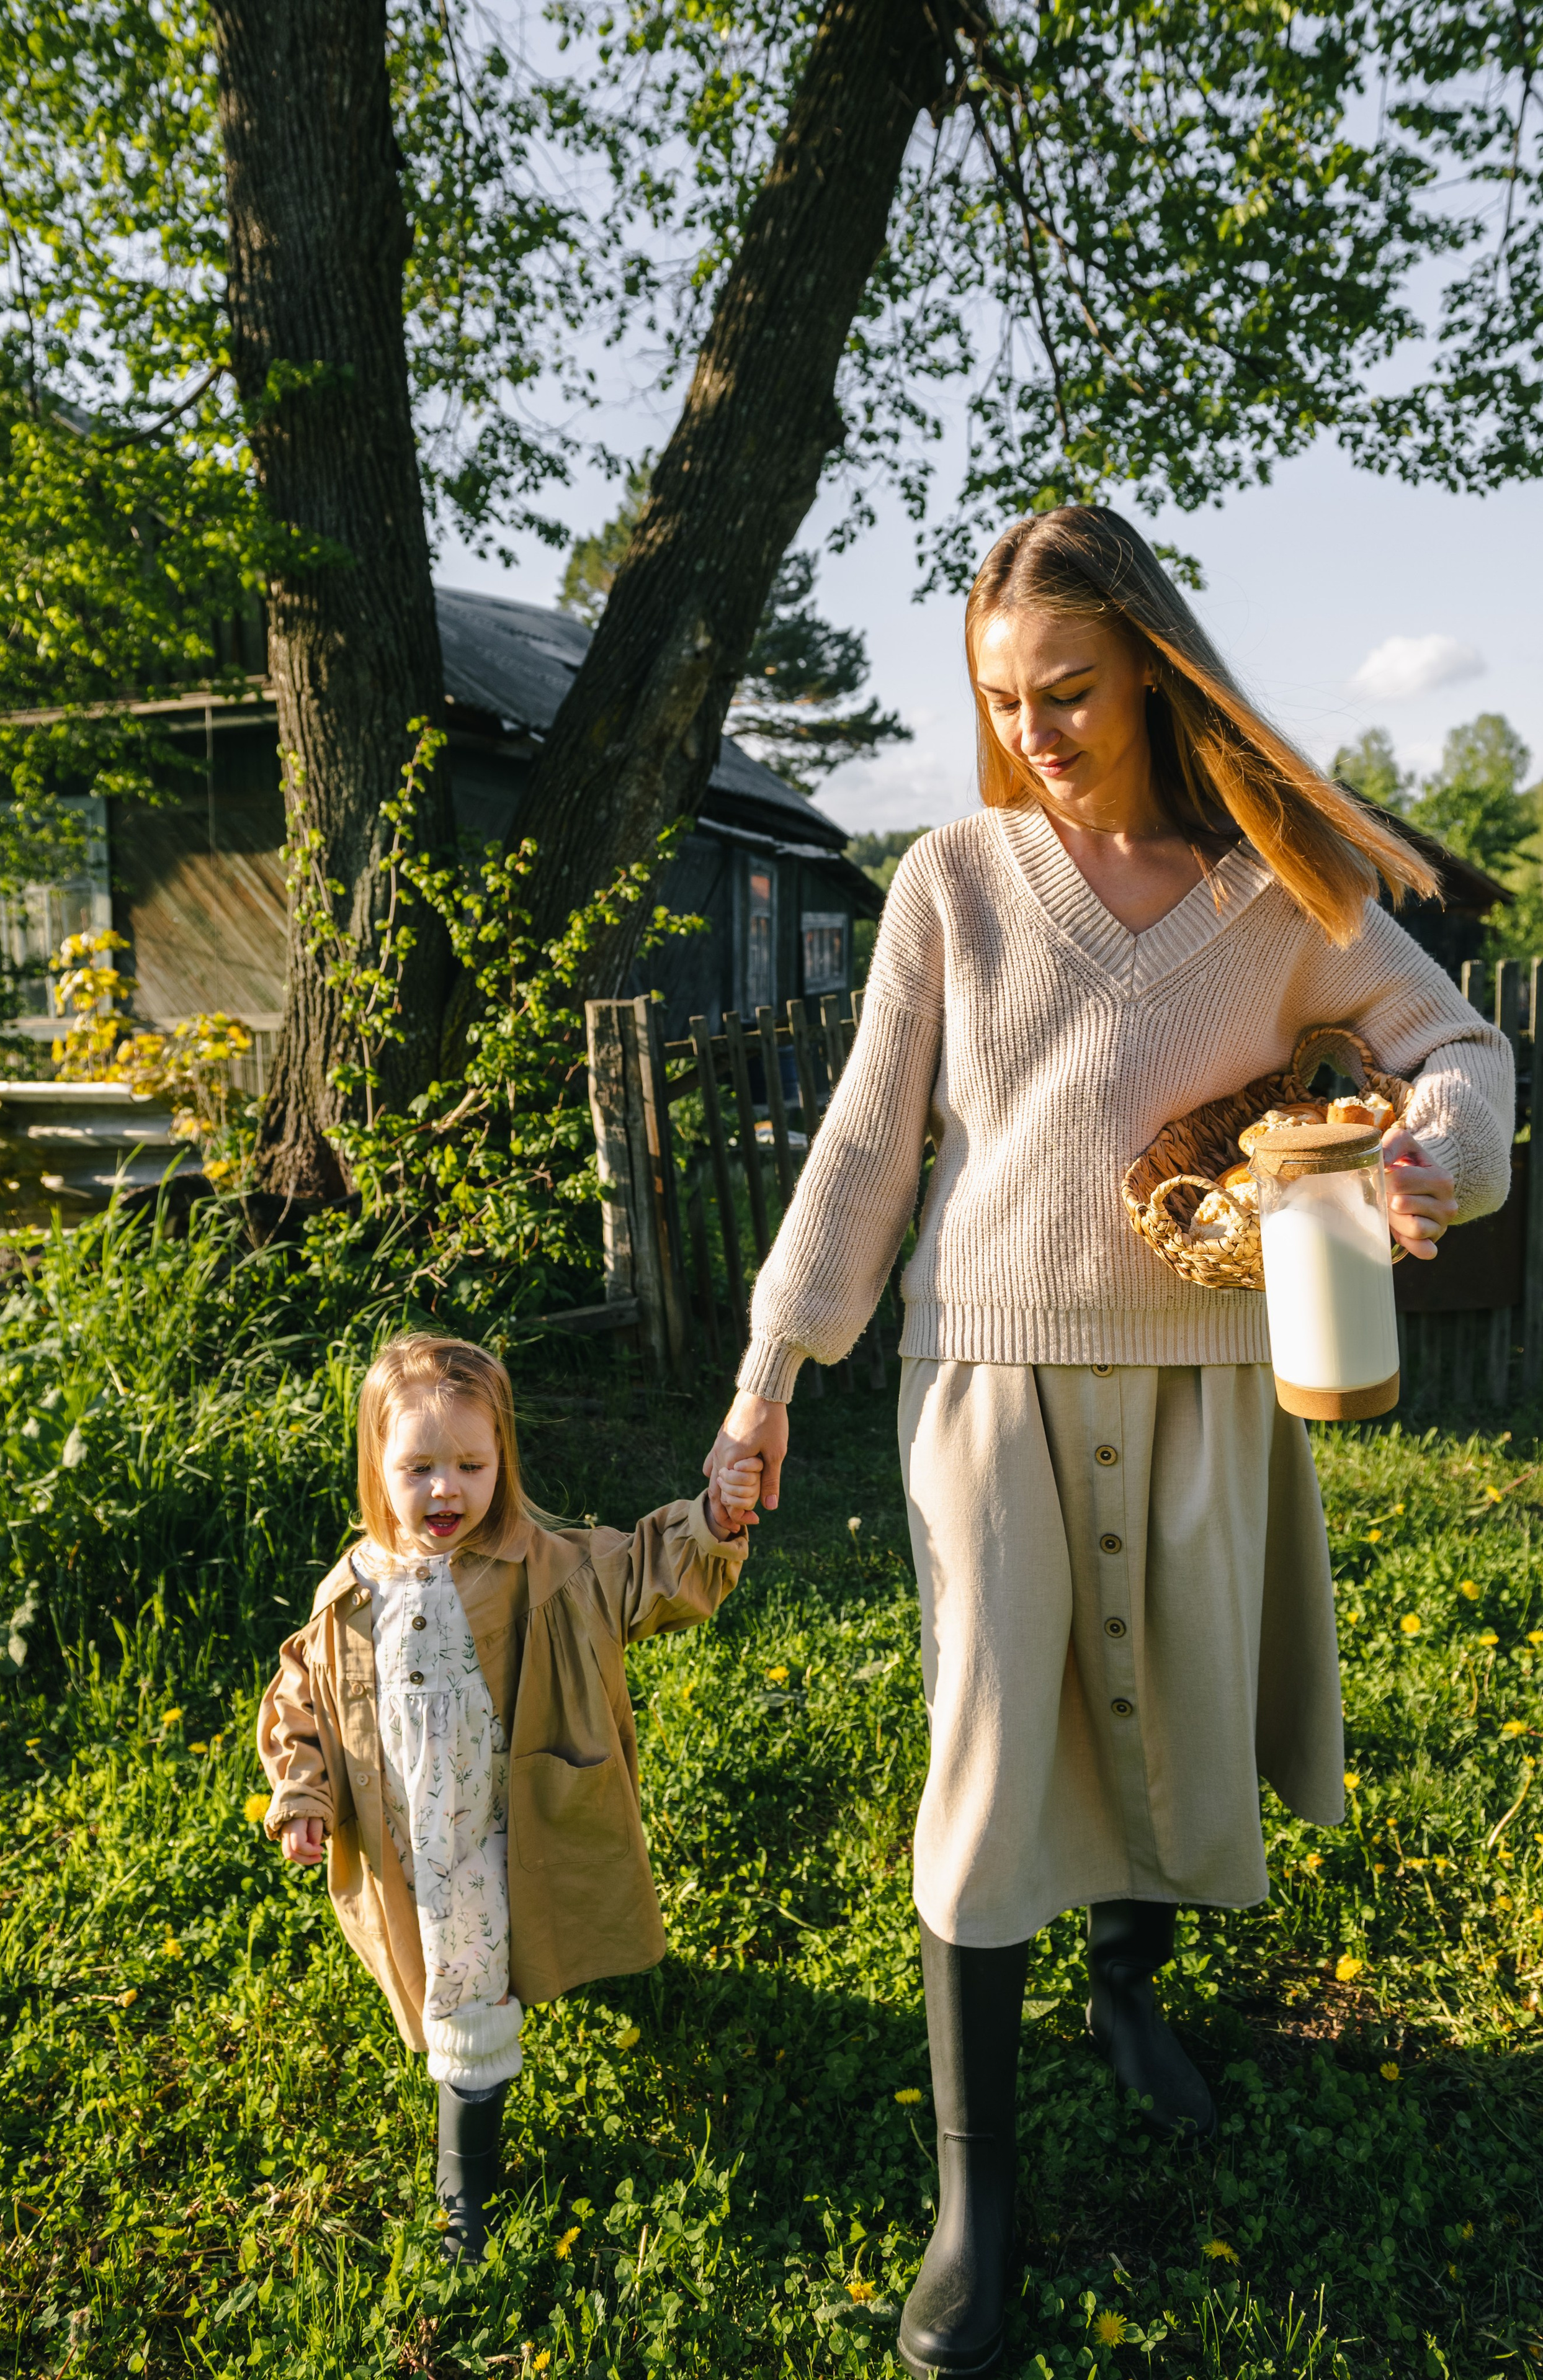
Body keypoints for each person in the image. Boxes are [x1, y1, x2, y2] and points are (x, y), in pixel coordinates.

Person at [703, 506, 1514, 2379]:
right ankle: (979, 2205)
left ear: (1149, 661)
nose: (1038, 729)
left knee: (1167, 1697)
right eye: (1005, 699)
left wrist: (1428, 1152)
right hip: (981, 1374)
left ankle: (1133, 1985)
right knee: (994, 1753)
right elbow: (861, 1141)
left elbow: (1461, 1043)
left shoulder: (1275, 890)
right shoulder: (955, 878)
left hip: (1207, 1377)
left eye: (1068, 688)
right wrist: (769, 1369)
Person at [257, 1332, 760, 2258]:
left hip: (500, 1825)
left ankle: (463, 2178)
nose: (445, 1488)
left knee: (476, 1984)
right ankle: (469, 2157)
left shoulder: (546, 1571)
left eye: (470, 1464)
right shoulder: (352, 1596)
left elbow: (644, 1568)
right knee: (465, 1986)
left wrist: (713, 1521)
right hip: (415, 1843)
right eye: (419, 1467)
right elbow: (303, 1695)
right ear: (378, 1466)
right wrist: (305, 1792)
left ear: (503, 1462)